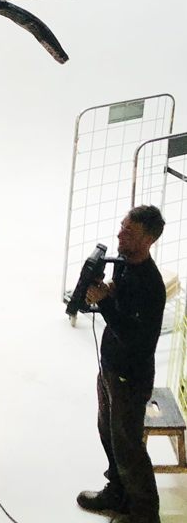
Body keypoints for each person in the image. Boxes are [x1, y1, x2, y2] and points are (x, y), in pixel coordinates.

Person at [77, 205, 166, 523]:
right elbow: (120, 307)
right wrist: (106, 292)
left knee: (128, 444)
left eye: (128, 231)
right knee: (109, 433)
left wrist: (104, 300)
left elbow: (132, 336)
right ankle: (117, 492)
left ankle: (144, 513)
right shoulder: (124, 265)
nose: (119, 234)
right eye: (122, 226)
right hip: (111, 367)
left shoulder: (149, 285)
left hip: (130, 375)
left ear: (147, 239)